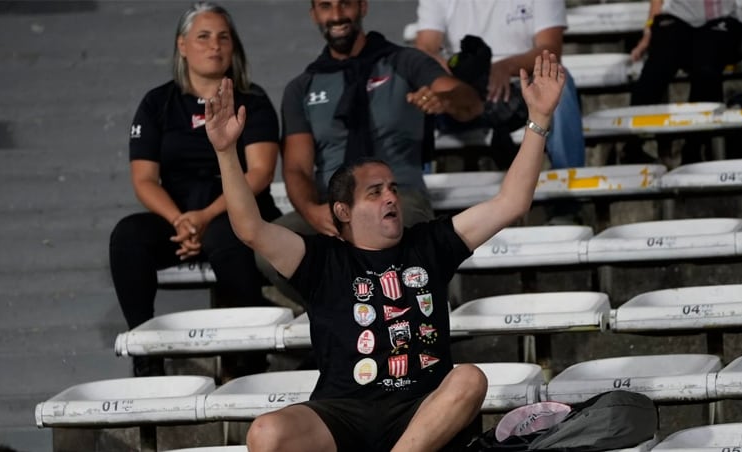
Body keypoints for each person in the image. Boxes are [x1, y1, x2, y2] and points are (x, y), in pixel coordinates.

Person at [204, 49, 565, 451]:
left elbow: (511, 202)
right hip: (343, 413)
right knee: (265, 433)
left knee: (469, 379)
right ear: (344, 210)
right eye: (375, 193)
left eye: (392, 188)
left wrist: (540, 121)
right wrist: (225, 152)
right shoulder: (322, 259)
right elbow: (250, 229)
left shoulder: (429, 244)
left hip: (422, 412)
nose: (390, 197)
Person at [258, 0, 484, 305]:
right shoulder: (302, 87)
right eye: (326, 6)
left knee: (391, 244)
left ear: (363, 7)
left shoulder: (405, 61)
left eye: (345, 4)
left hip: (399, 196)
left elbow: (469, 102)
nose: (336, 15)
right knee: (267, 251)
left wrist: (444, 100)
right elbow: (297, 168)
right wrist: (313, 212)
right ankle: (345, 317)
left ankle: (382, 321)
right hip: (335, 205)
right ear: (314, 15)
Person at [108, 2, 281, 377]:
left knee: (230, 234)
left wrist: (205, 217)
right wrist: (181, 221)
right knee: (128, 236)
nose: (214, 45)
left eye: (223, 37)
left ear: (233, 47)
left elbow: (261, 173)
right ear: (182, 46)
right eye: (203, 36)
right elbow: (144, 180)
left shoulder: (253, 100)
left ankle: (249, 357)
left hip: (237, 211)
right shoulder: (158, 103)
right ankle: (146, 354)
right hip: (179, 215)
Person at [414, 0, 586, 172]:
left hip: (520, 88)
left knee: (558, 80)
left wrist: (506, 67)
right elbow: (425, 49)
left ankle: (569, 180)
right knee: (416, 93)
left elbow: (551, 49)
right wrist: (462, 76)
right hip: (459, 92)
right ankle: (415, 191)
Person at [628, 0, 742, 163]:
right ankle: (631, 147)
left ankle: (693, 148)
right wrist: (649, 30)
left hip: (722, 19)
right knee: (656, 68)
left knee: (706, 68)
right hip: (678, 17)